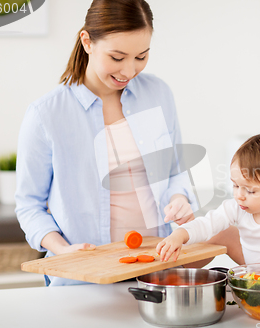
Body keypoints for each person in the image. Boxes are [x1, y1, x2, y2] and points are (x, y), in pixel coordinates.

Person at [15, 0, 201, 286]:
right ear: (87, 42)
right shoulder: (46, 114)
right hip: (83, 277)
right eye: (117, 57)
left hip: (158, 270)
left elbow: (175, 172)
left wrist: (179, 199)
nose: (129, 70)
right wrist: (63, 250)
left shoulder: (158, 94)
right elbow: (29, 205)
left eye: (141, 57)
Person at [157, 133, 260, 269]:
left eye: (250, 190)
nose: (239, 195)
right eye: (235, 185)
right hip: (254, 268)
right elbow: (206, 224)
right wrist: (179, 235)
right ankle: (177, 269)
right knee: (217, 230)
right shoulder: (237, 206)